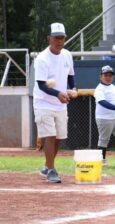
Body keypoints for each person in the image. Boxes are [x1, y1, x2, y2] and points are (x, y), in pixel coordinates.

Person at [34, 23, 78, 183]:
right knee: (50, 136)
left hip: (60, 104)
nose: (60, 41)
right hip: (43, 103)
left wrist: (73, 88)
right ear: (49, 38)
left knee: (59, 137)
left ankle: (47, 166)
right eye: (56, 37)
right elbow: (41, 84)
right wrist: (58, 93)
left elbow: (70, 76)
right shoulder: (42, 59)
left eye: (62, 37)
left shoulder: (67, 55)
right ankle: (51, 170)